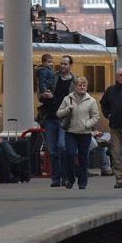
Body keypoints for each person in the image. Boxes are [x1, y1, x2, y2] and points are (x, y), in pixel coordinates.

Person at [56, 77, 100, 189]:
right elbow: (58, 114)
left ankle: (83, 182)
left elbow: (96, 117)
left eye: (84, 85)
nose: (82, 87)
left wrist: (87, 124)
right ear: (75, 86)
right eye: (80, 85)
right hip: (71, 132)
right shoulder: (67, 99)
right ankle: (70, 179)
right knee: (70, 154)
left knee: (83, 157)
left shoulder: (91, 101)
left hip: (85, 133)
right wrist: (67, 110)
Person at [38, 55, 75, 187]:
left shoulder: (74, 82)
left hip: (65, 119)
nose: (62, 66)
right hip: (51, 117)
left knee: (62, 146)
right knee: (52, 150)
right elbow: (40, 93)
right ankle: (55, 178)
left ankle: (66, 176)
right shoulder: (53, 77)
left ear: (71, 65)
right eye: (61, 63)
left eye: (65, 64)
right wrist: (43, 94)